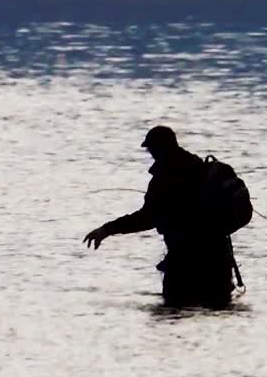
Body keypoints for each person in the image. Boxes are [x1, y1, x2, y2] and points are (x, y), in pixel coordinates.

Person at [84, 126, 237, 308]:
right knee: (218, 310)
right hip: (218, 259)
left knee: (174, 311)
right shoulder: (199, 167)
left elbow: (148, 217)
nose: (151, 154)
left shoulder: (166, 177)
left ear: (159, 148)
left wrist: (107, 229)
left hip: (185, 262)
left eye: (151, 149)